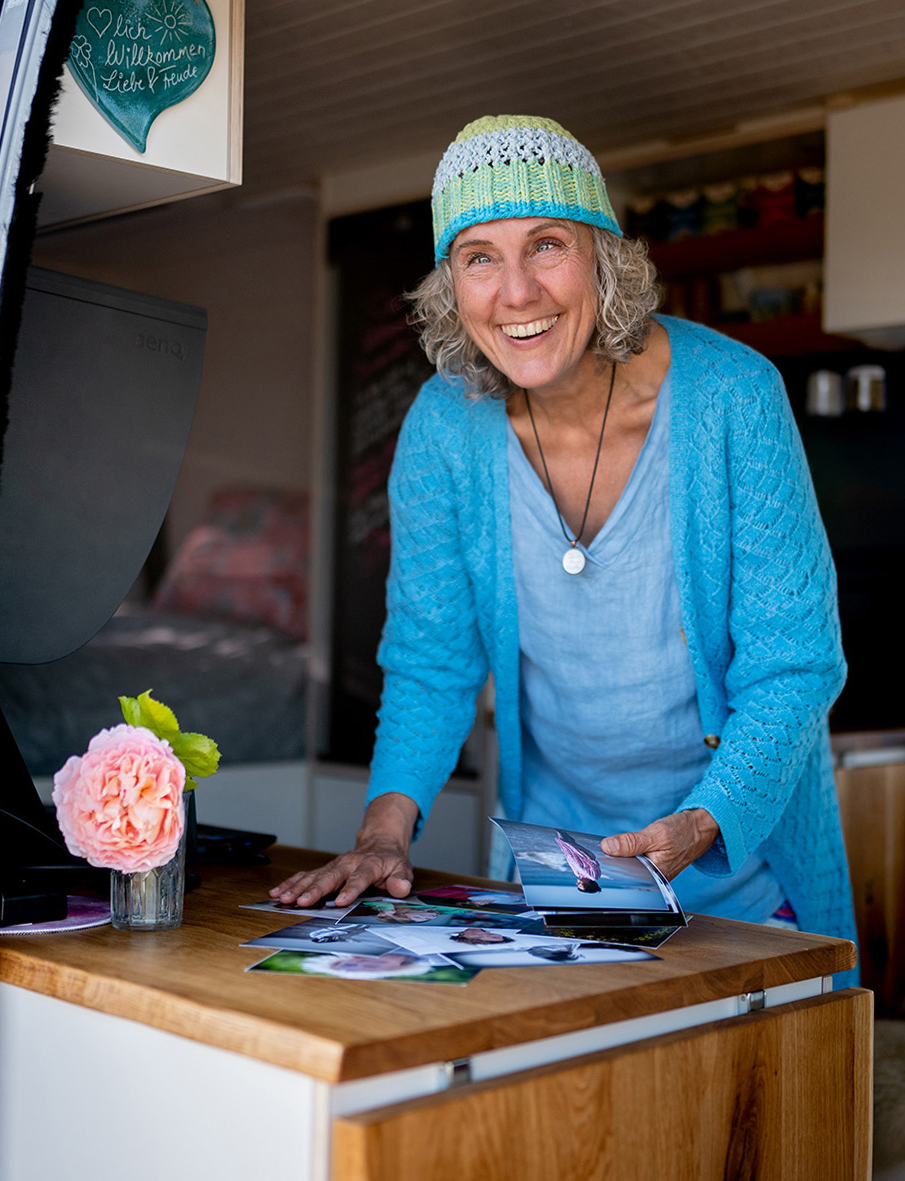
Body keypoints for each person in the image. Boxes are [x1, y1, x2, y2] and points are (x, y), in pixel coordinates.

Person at [272, 115, 856, 962]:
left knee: (757, 1088)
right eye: (479, 257)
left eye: (545, 245)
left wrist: (700, 824)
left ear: (603, 258)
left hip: (745, 871)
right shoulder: (443, 426)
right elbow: (432, 660)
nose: (516, 292)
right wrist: (383, 831)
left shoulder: (734, 395)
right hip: (556, 884)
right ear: (451, 287)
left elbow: (795, 663)